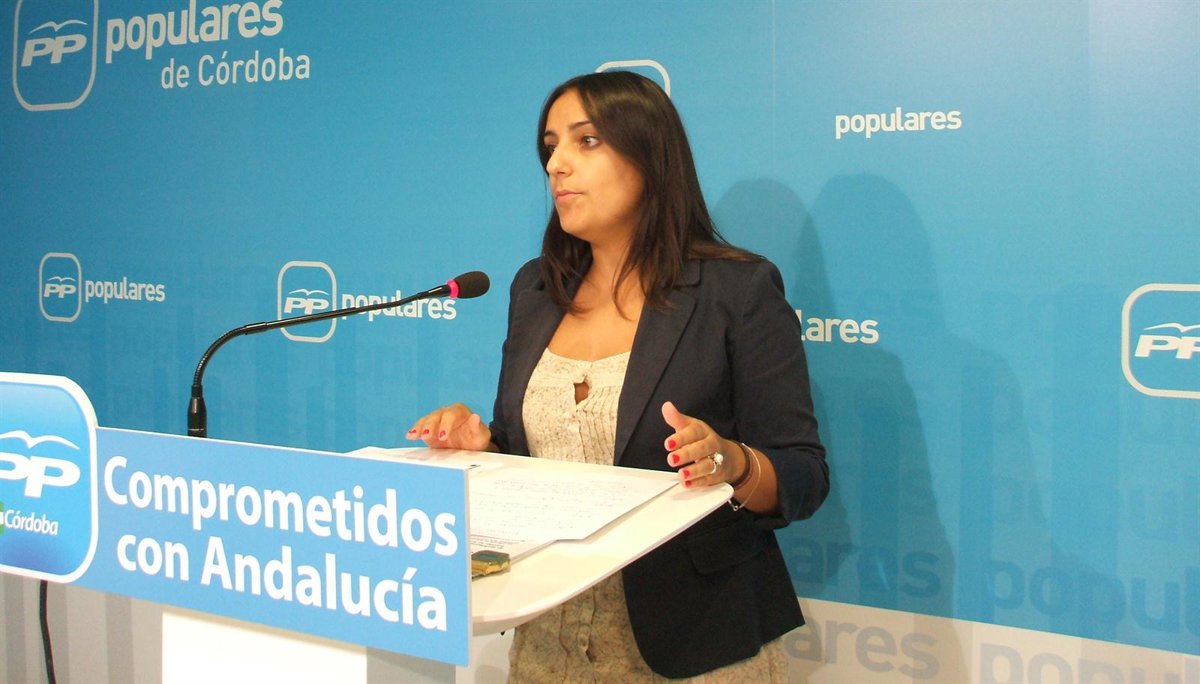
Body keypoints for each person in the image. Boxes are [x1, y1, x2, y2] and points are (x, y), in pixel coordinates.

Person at [407, 70, 827, 682]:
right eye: (550, 146)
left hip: (697, 650)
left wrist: (731, 461)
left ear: (650, 157)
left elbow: (804, 474)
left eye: (586, 141)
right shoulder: (536, 289)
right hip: (548, 648)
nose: (557, 165)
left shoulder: (736, 290)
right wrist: (484, 448)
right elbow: (532, 456)